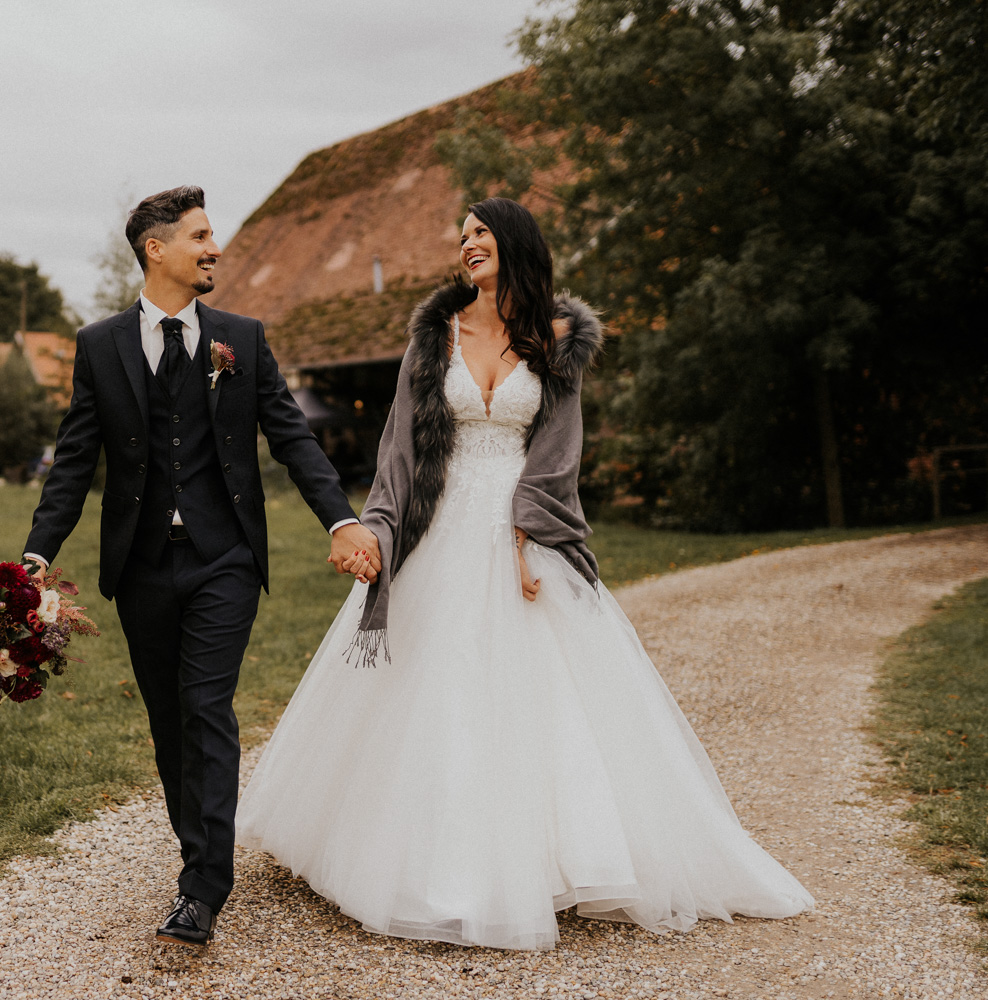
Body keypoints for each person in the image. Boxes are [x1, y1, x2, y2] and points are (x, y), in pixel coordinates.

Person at [234, 198, 814, 951]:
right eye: (461, 236)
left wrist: (525, 532)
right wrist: (377, 527)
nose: (467, 243)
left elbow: (559, 449)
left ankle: (556, 859)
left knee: (544, 697)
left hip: (524, 528)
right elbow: (401, 451)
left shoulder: (559, 337)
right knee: (438, 691)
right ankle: (428, 860)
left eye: (480, 232)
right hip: (439, 526)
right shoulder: (432, 335)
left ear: (514, 242)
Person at [21, 186, 381, 947]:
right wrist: (35, 556)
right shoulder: (100, 345)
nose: (214, 247)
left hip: (225, 559)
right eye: (200, 235)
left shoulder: (241, 340)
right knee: (168, 722)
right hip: (142, 566)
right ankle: (199, 855)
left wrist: (342, 518)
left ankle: (203, 888)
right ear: (157, 249)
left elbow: (292, 438)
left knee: (206, 706)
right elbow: (73, 463)